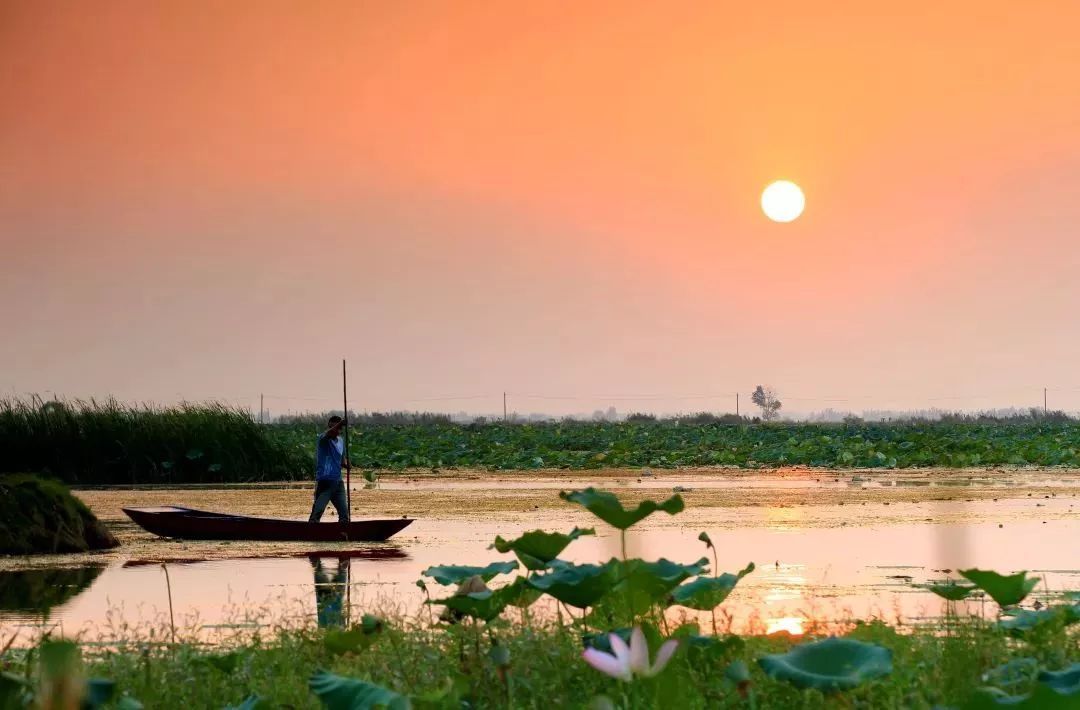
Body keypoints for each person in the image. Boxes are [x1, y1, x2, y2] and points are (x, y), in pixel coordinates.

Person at [308, 415, 350, 523]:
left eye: (338, 428)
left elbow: (342, 461)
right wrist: (340, 423)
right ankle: (311, 530)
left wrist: (347, 465)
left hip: (337, 482)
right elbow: (330, 433)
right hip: (325, 481)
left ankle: (343, 531)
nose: (335, 430)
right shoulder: (323, 439)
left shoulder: (341, 442)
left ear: (340, 430)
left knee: (344, 513)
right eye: (333, 427)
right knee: (318, 511)